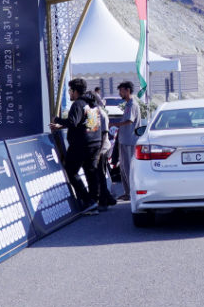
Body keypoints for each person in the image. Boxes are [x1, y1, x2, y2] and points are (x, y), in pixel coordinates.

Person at [51, 78, 105, 214]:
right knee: (91, 172)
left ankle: (87, 200)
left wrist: (57, 119)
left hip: (81, 144)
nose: (69, 93)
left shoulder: (77, 104)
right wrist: (60, 126)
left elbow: (73, 122)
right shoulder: (93, 104)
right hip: (95, 142)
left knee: (71, 171)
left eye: (70, 91)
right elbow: (82, 123)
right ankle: (93, 203)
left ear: (75, 91)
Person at [114, 80, 141, 201]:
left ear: (127, 90)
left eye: (121, 90)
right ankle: (127, 192)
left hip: (130, 141)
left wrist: (112, 124)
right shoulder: (128, 104)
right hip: (124, 141)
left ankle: (131, 192)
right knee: (124, 168)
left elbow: (129, 121)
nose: (120, 93)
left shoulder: (132, 105)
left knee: (129, 168)